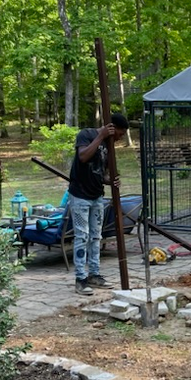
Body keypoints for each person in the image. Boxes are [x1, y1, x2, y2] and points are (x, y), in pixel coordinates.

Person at [68, 114, 129, 295]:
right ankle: (81, 278)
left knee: (96, 236)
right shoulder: (86, 135)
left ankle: (94, 274)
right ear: (111, 128)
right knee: (82, 237)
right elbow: (83, 157)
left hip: (96, 196)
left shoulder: (108, 146)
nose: (120, 138)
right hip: (80, 195)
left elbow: (100, 173)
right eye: (120, 133)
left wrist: (111, 181)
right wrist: (101, 136)